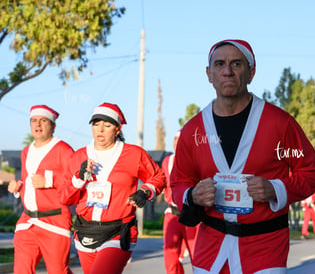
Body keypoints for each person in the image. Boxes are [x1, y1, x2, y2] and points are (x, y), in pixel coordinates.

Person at [170, 39, 315, 273]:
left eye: (237, 64)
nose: (227, 71)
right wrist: (192, 194)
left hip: (265, 249)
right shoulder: (193, 131)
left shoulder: (279, 124)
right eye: (219, 64)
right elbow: (178, 183)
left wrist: (275, 188)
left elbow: (311, 172)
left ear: (251, 73)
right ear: (209, 74)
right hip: (210, 249)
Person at [59, 102, 165, 274]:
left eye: (107, 125)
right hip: (86, 230)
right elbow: (64, 198)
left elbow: (158, 176)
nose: (100, 129)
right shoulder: (78, 156)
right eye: (96, 124)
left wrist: (144, 191)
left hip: (118, 231)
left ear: (117, 129)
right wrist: (78, 179)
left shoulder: (134, 154)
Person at [7, 105, 74, 274]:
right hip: (27, 222)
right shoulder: (26, 151)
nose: (38, 125)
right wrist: (19, 186)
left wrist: (49, 181)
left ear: (53, 125)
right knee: (21, 271)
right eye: (34, 121)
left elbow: (75, 181)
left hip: (54, 221)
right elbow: (27, 179)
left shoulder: (63, 150)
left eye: (43, 121)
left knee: (58, 271)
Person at [162, 130, 198, 274]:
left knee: (197, 253)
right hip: (172, 212)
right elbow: (162, 181)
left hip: (192, 213)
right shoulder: (167, 160)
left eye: (180, 139)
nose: (177, 142)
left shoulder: (196, 160)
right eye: (175, 139)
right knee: (170, 251)